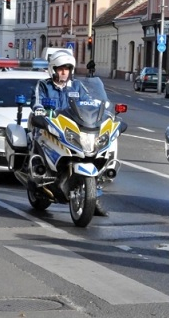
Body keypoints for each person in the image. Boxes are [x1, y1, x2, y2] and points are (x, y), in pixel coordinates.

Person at [31, 51, 109, 217]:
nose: (64, 72)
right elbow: (37, 101)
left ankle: (94, 194)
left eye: (67, 68)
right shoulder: (44, 85)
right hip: (49, 127)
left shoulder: (77, 86)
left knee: (94, 152)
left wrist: (102, 111)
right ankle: (39, 177)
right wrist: (39, 110)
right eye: (61, 69)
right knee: (39, 148)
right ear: (54, 70)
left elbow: (90, 102)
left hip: (72, 129)